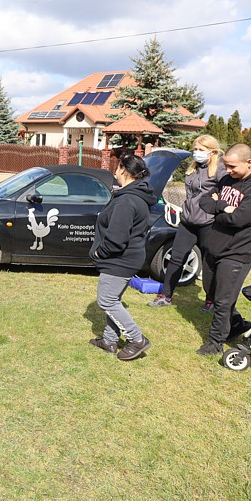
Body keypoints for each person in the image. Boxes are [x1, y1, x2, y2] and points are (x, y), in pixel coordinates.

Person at [195, 143, 251, 356]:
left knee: (223, 300)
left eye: (232, 167)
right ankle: (237, 323)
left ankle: (215, 343)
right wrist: (222, 206)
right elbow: (204, 202)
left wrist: (218, 207)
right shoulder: (227, 180)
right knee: (211, 291)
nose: (228, 171)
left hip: (237, 253)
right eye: (226, 166)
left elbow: (238, 219)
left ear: (249, 163)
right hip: (214, 246)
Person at [88, 154, 156, 361]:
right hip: (128, 257)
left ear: (124, 171)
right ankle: (109, 340)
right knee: (113, 298)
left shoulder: (127, 201)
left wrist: (100, 252)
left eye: (117, 168)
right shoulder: (135, 195)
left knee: (107, 300)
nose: (115, 172)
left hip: (120, 259)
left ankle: (137, 339)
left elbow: (116, 239)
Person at [148, 135, 226, 309]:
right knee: (176, 258)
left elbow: (227, 193)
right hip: (188, 222)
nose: (196, 153)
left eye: (201, 150)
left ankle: (210, 301)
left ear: (212, 151)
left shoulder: (220, 170)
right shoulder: (193, 168)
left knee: (209, 262)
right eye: (195, 149)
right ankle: (165, 296)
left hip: (208, 223)